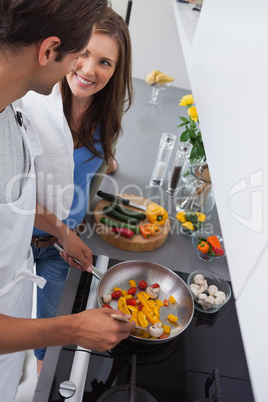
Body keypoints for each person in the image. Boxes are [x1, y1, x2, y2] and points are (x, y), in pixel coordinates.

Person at [0, 1, 135, 400]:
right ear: (49, 50)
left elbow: (17, 203)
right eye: (79, 54)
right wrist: (73, 329)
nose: (83, 68)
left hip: (19, 292)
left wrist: (60, 229)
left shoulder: (15, 112)